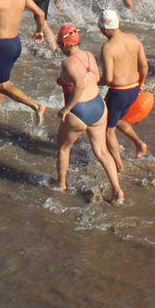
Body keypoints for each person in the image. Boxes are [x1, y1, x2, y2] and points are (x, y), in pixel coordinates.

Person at [51, 24, 124, 202]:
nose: (59, 46)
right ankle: (117, 190)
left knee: (63, 148)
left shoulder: (67, 63)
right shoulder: (89, 55)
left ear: (66, 44)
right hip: (98, 106)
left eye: (60, 43)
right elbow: (97, 78)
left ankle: (61, 185)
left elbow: (79, 85)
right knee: (102, 152)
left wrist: (66, 108)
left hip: (79, 111)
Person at [94, 8, 150, 165]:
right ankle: (140, 144)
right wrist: (142, 83)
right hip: (134, 89)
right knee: (117, 120)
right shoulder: (134, 39)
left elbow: (109, 78)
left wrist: (94, 82)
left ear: (104, 28)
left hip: (118, 92)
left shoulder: (108, 47)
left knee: (108, 129)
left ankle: (118, 166)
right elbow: (144, 66)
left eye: (100, 28)